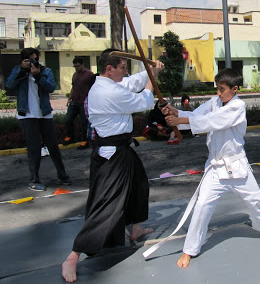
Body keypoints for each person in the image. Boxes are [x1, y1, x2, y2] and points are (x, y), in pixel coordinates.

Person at [165, 68, 260, 268]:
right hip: (215, 168)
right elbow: (197, 115)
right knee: (202, 206)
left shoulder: (238, 107)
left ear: (234, 89)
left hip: (237, 165)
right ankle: (189, 250)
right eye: (217, 88)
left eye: (222, 89)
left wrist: (181, 120)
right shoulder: (215, 102)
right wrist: (176, 112)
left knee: (256, 199)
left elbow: (212, 122)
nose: (218, 93)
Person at [61, 49, 165, 283]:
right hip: (112, 155)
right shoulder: (106, 92)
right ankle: (73, 255)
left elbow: (130, 83)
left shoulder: (109, 84)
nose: (126, 72)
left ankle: (135, 227)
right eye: (123, 67)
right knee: (108, 205)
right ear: (110, 69)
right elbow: (143, 101)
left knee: (139, 185)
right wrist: (153, 77)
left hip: (121, 148)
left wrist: (150, 71)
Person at [6, 48, 72, 192]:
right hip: (27, 115)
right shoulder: (18, 70)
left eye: (34, 59)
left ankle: (63, 175)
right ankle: (34, 179)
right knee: (34, 148)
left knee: (53, 146)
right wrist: (22, 71)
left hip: (44, 114)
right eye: (29, 60)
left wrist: (38, 76)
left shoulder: (45, 71)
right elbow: (9, 85)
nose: (32, 62)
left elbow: (51, 88)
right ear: (23, 60)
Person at [63, 57, 96, 149]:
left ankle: (85, 141)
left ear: (82, 64)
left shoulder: (89, 74)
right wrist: (69, 98)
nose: (76, 68)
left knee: (84, 122)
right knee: (68, 120)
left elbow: (93, 88)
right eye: (75, 66)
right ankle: (70, 137)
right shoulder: (75, 75)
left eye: (78, 66)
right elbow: (73, 87)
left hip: (84, 102)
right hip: (74, 102)